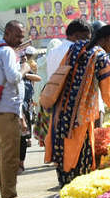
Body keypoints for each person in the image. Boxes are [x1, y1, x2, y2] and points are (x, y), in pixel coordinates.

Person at [44, 24, 110, 186]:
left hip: (60, 113)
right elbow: (107, 96)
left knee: (63, 158)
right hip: (80, 118)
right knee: (81, 165)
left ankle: (65, 195)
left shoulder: (76, 48)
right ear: (108, 38)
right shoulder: (101, 57)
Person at [0, 20, 32, 198]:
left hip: (5, 110)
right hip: (5, 111)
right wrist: (25, 68)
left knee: (7, 155)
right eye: (17, 36)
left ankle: (9, 197)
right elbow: (13, 78)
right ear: (7, 33)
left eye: (22, 36)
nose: (20, 40)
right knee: (9, 157)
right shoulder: (6, 51)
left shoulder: (1, 50)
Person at [37, 20, 91, 149]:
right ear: (77, 36)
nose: (88, 42)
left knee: (61, 141)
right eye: (86, 38)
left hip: (56, 100)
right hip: (74, 102)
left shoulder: (53, 51)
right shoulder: (77, 51)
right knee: (76, 142)